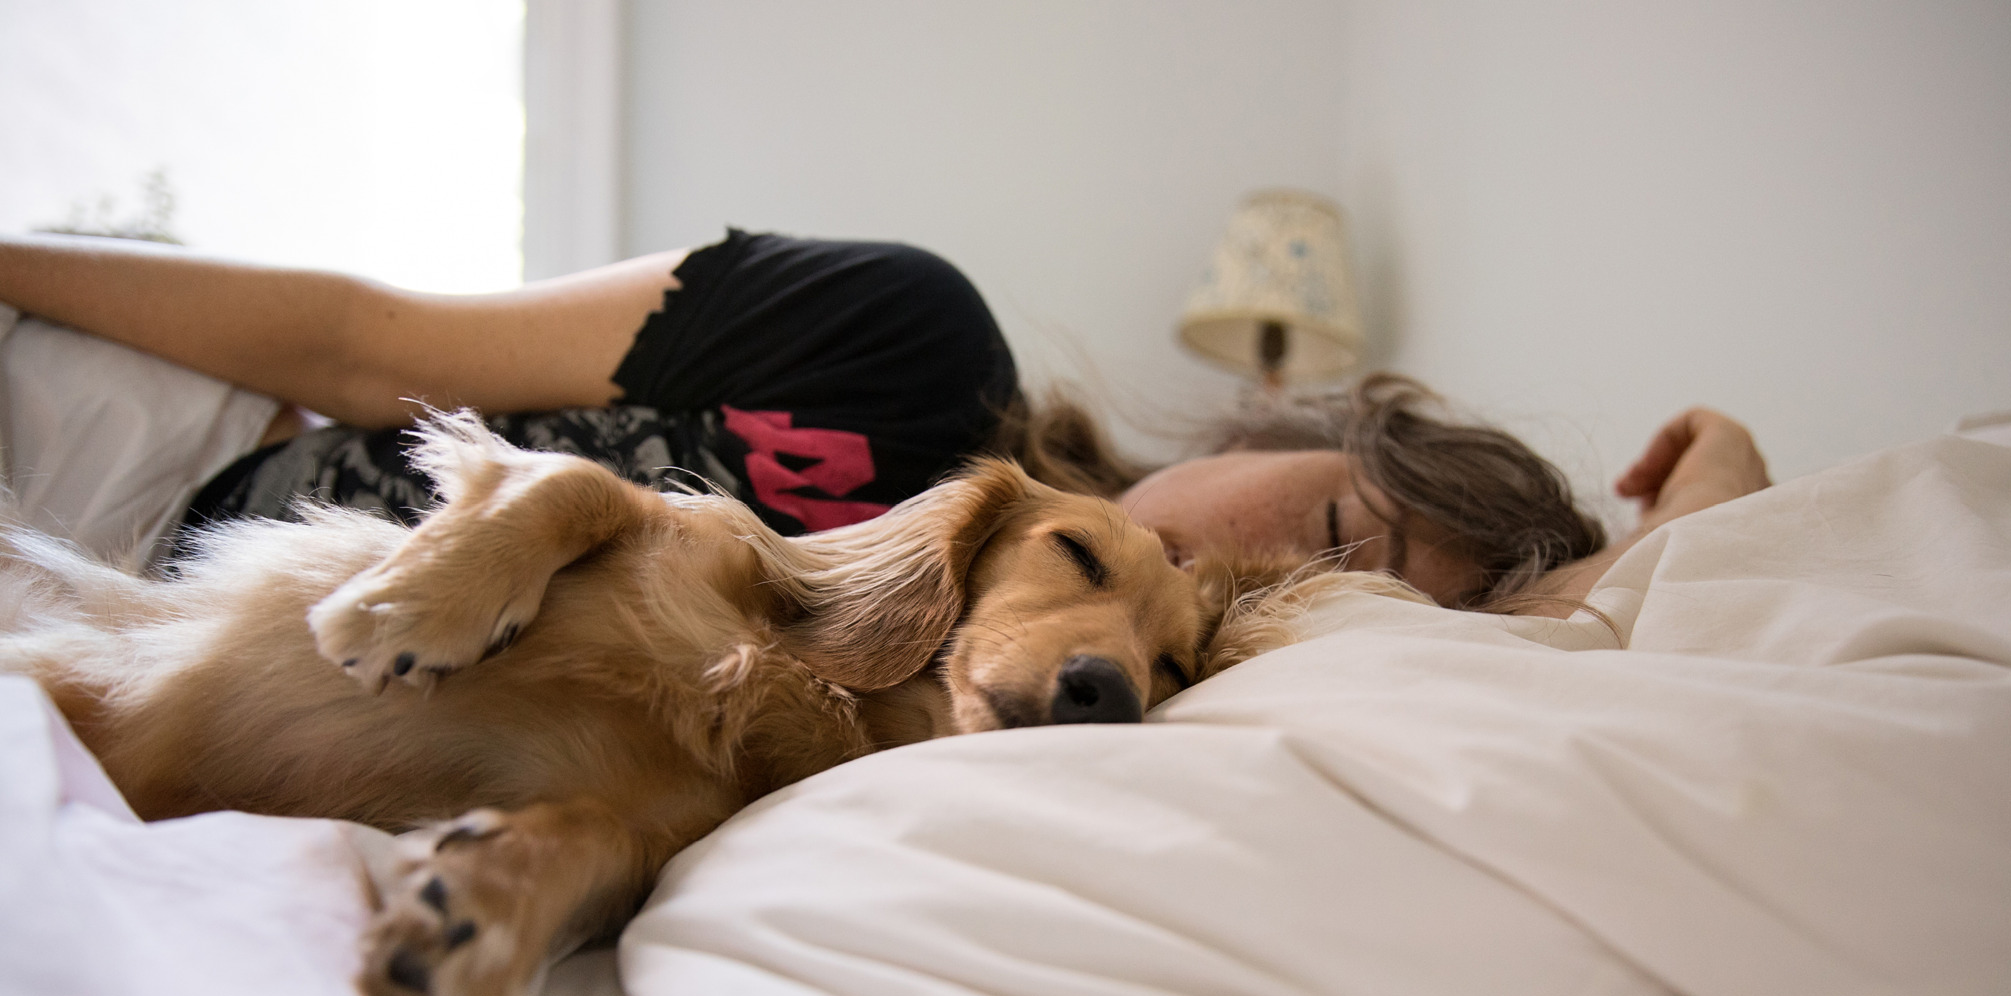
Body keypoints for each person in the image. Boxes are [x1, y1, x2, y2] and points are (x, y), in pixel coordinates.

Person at [0, 229, 1769, 610]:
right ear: (1271, 431)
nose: (1281, 579)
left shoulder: (1037, 687)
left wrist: (1719, 510)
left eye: (1351, 602)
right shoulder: (903, 340)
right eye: (1325, 527)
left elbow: (1577, 663)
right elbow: (368, 343)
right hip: (173, 447)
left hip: (154, 638)